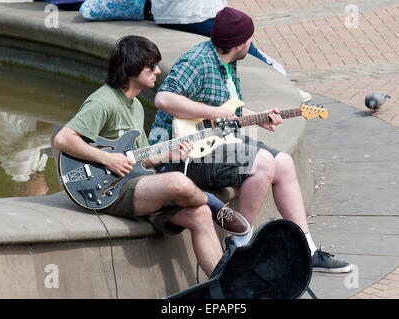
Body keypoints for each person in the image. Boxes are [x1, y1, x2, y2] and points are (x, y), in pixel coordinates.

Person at [148, 8, 353, 273]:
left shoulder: (228, 61)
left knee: (284, 164)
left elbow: (231, 109)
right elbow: (163, 99)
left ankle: (307, 249)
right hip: (184, 154)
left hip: (217, 143)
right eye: (249, 39)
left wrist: (256, 118)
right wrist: (221, 113)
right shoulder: (197, 61)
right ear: (239, 44)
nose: (251, 44)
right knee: (263, 162)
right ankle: (242, 246)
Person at [52, 35, 250, 277]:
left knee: (198, 215)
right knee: (178, 182)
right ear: (132, 67)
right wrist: (107, 159)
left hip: (136, 182)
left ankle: (228, 287)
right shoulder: (103, 101)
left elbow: (142, 158)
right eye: (151, 65)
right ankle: (212, 202)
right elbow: (63, 138)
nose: (157, 71)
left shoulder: (134, 105)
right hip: (109, 191)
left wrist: (169, 153)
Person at [150, 0, 311, 102]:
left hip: (166, 13)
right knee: (240, 41)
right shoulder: (195, 61)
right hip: (195, 14)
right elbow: (163, 99)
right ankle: (285, 85)